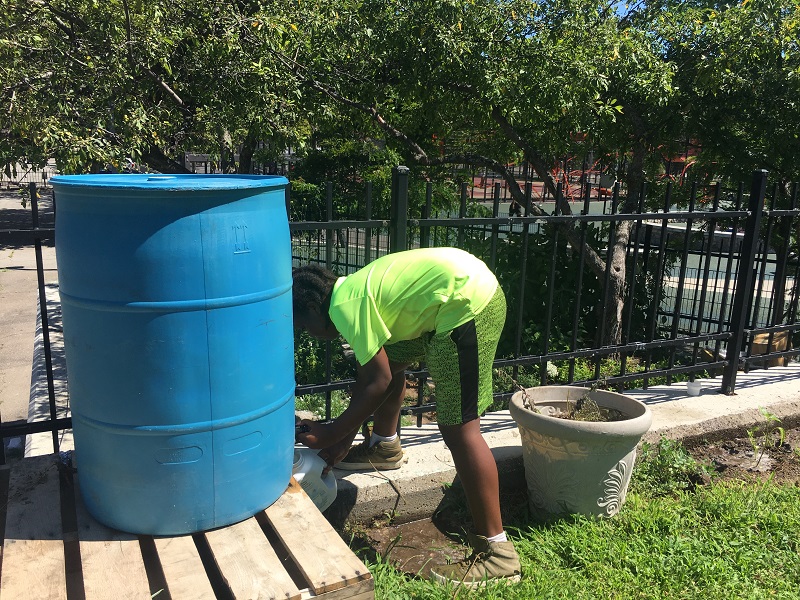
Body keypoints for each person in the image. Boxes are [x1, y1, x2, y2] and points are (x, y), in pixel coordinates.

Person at [293, 247, 521, 587]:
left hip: (466, 303)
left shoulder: (344, 308)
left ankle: (498, 554)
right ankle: (384, 446)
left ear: (313, 309)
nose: (308, 333)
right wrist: (342, 440)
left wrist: (330, 433)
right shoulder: (349, 292)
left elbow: (378, 381)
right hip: (458, 291)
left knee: (459, 428)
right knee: (387, 361)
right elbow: (378, 374)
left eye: (303, 326)